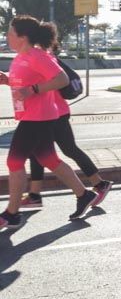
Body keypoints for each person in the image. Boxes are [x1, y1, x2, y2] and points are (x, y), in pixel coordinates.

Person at [0, 15, 99, 230]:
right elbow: (25, 83)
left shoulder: (37, 55)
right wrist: (8, 81)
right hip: (35, 116)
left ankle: (12, 213)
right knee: (49, 159)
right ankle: (84, 194)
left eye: (10, 32)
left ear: (22, 37)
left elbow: (61, 79)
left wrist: (33, 90)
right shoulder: (20, 57)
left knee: (14, 162)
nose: (7, 36)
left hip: (38, 118)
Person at [20, 22, 113, 211]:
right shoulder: (43, 54)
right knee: (49, 151)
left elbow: (39, 83)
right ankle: (97, 184)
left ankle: (37, 195)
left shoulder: (40, 56)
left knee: (51, 151)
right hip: (54, 111)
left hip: (52, 112)